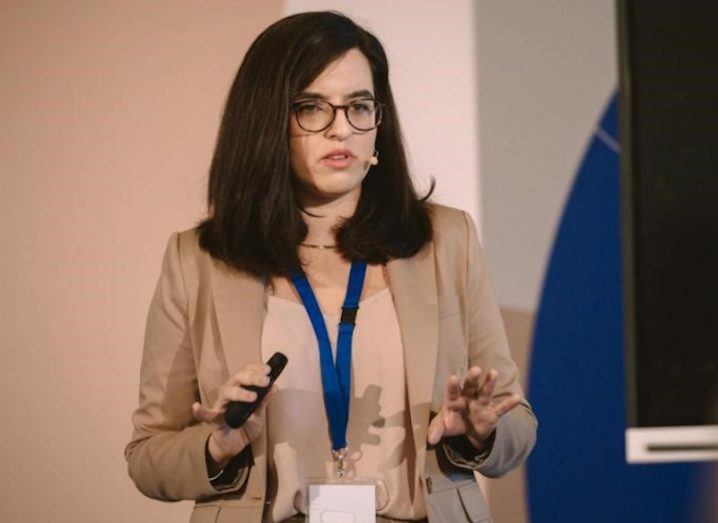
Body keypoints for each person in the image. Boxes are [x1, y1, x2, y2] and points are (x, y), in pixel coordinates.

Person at [125, 11, 537, 523]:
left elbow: (515, 421)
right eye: (312, 108)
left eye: (359, 106)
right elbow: (148, 456)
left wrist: (482, 433)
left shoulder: (446, 239)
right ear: (267, 122)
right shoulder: (198, 260)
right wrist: (217, 447)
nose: (341, 128)